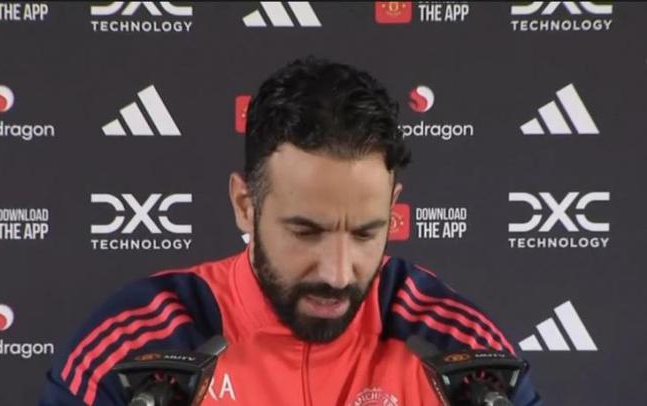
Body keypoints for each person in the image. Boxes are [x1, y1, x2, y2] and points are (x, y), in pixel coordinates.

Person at [40, 57, 541, 405]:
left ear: (392, 210)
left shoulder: (462, 355)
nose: (338, 274)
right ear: (245, 206)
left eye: (365, 234)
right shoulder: (134, 348)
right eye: (306, 232)